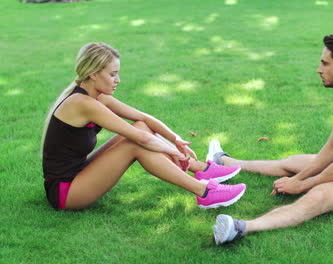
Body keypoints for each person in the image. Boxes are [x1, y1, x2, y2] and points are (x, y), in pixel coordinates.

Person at [209, 32, 333, 244]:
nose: (319, 69)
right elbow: (332, 149)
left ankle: (240, 228)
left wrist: (301, 185)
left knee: (320, 195)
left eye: (325, 63)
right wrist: (297, 178)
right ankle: (225, 162)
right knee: (294, 163)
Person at [42, 42, 246, 211]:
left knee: (139, 126)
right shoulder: (82, 103)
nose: (118, 80)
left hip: (80, 171)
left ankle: (202, 170)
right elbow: (142, 139)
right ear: (94, 74)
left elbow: (143, 118)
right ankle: (205, 192)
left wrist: (175, 140)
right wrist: (174, 152)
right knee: (135, 143)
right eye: (113, 74)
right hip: (65, 192)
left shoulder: (97, 97)